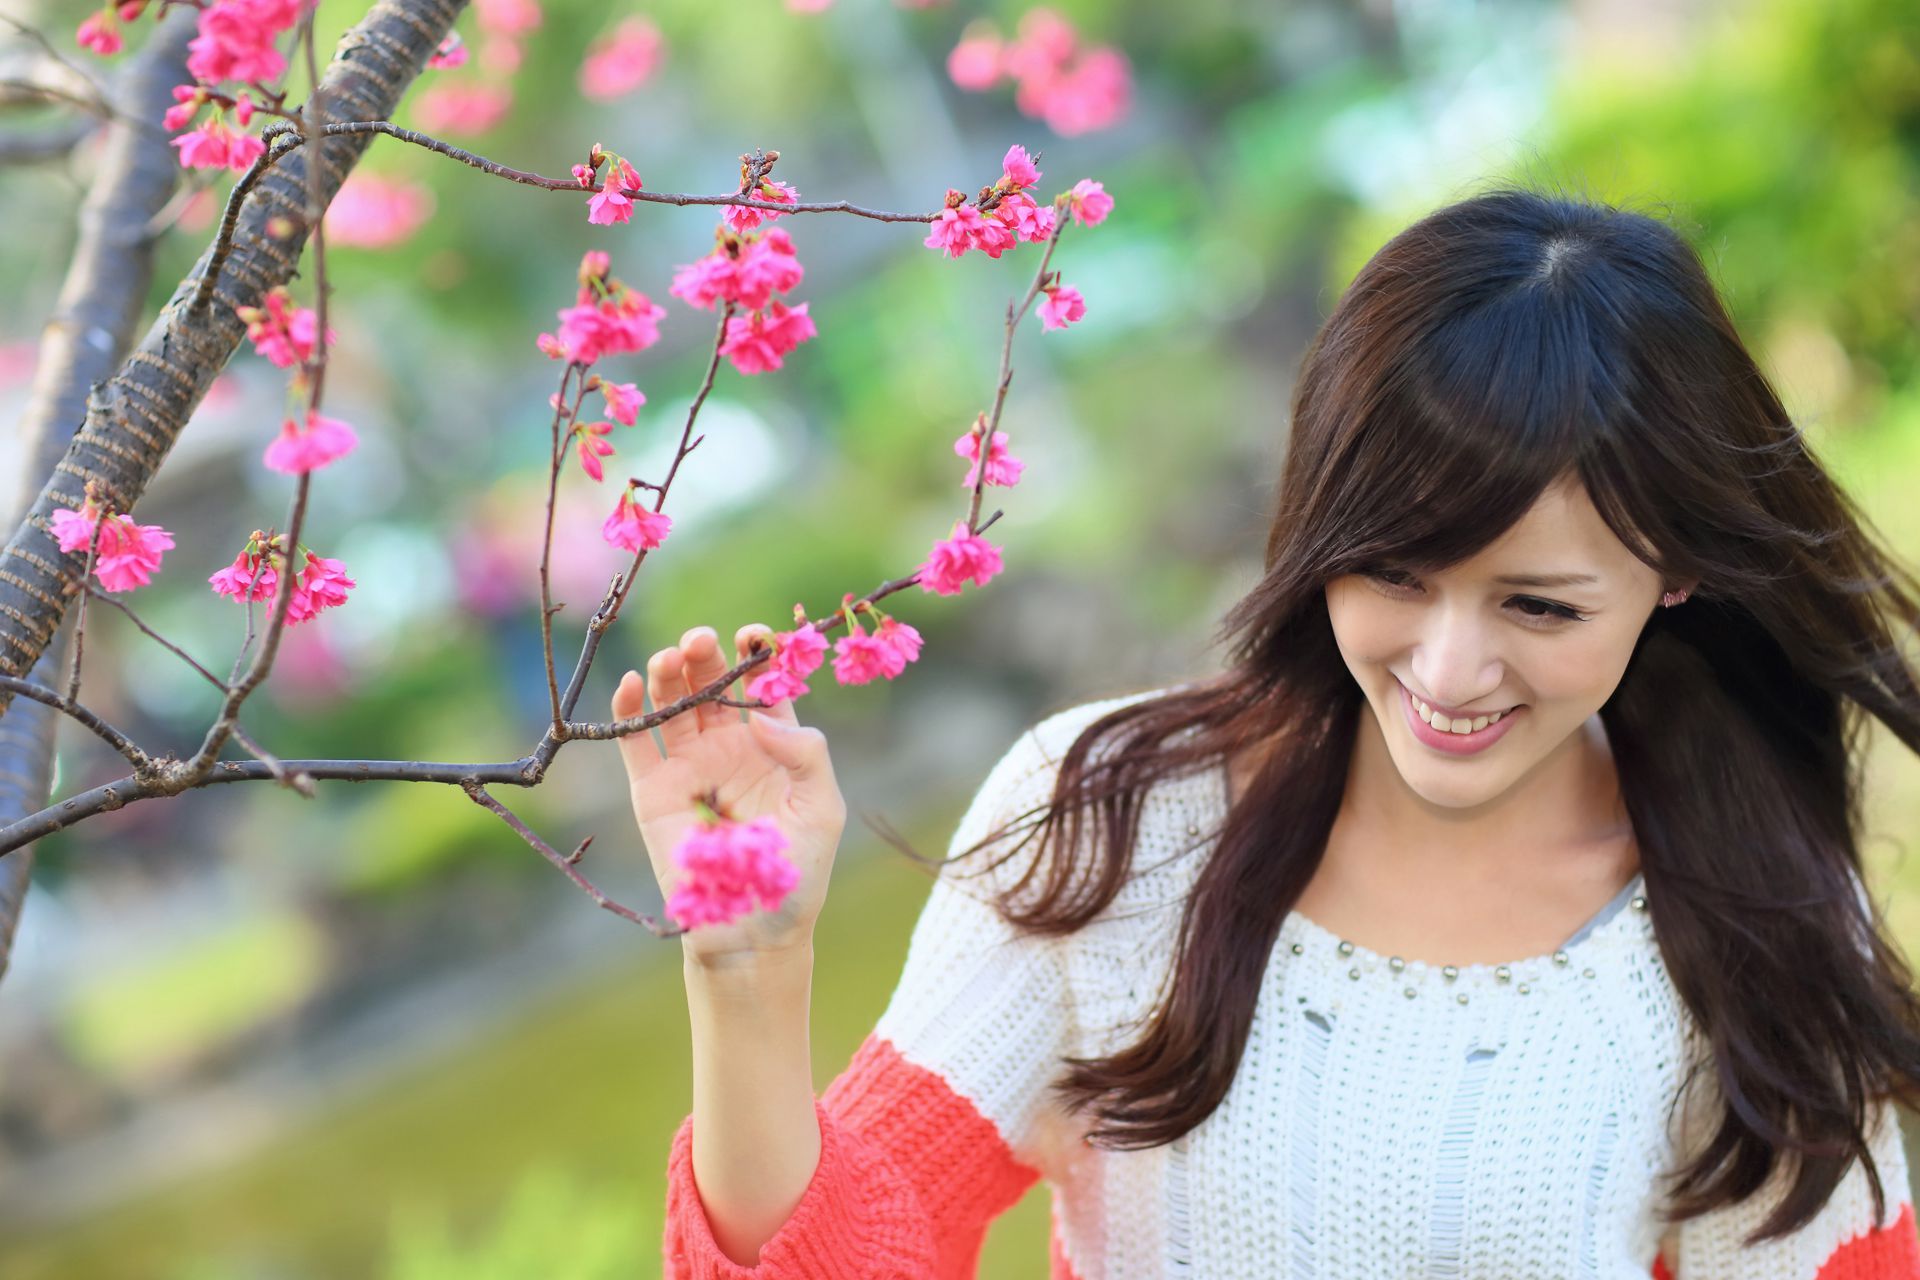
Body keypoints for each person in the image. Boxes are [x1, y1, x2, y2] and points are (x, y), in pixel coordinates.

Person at [615, 185, 1920, 1277]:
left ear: (1676, 571)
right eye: (1395, 575)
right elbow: (858, 1244)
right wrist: (747, 972)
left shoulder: (1755, 923)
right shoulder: (1105, 822)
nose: (1451, 670)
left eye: (1537, 603)